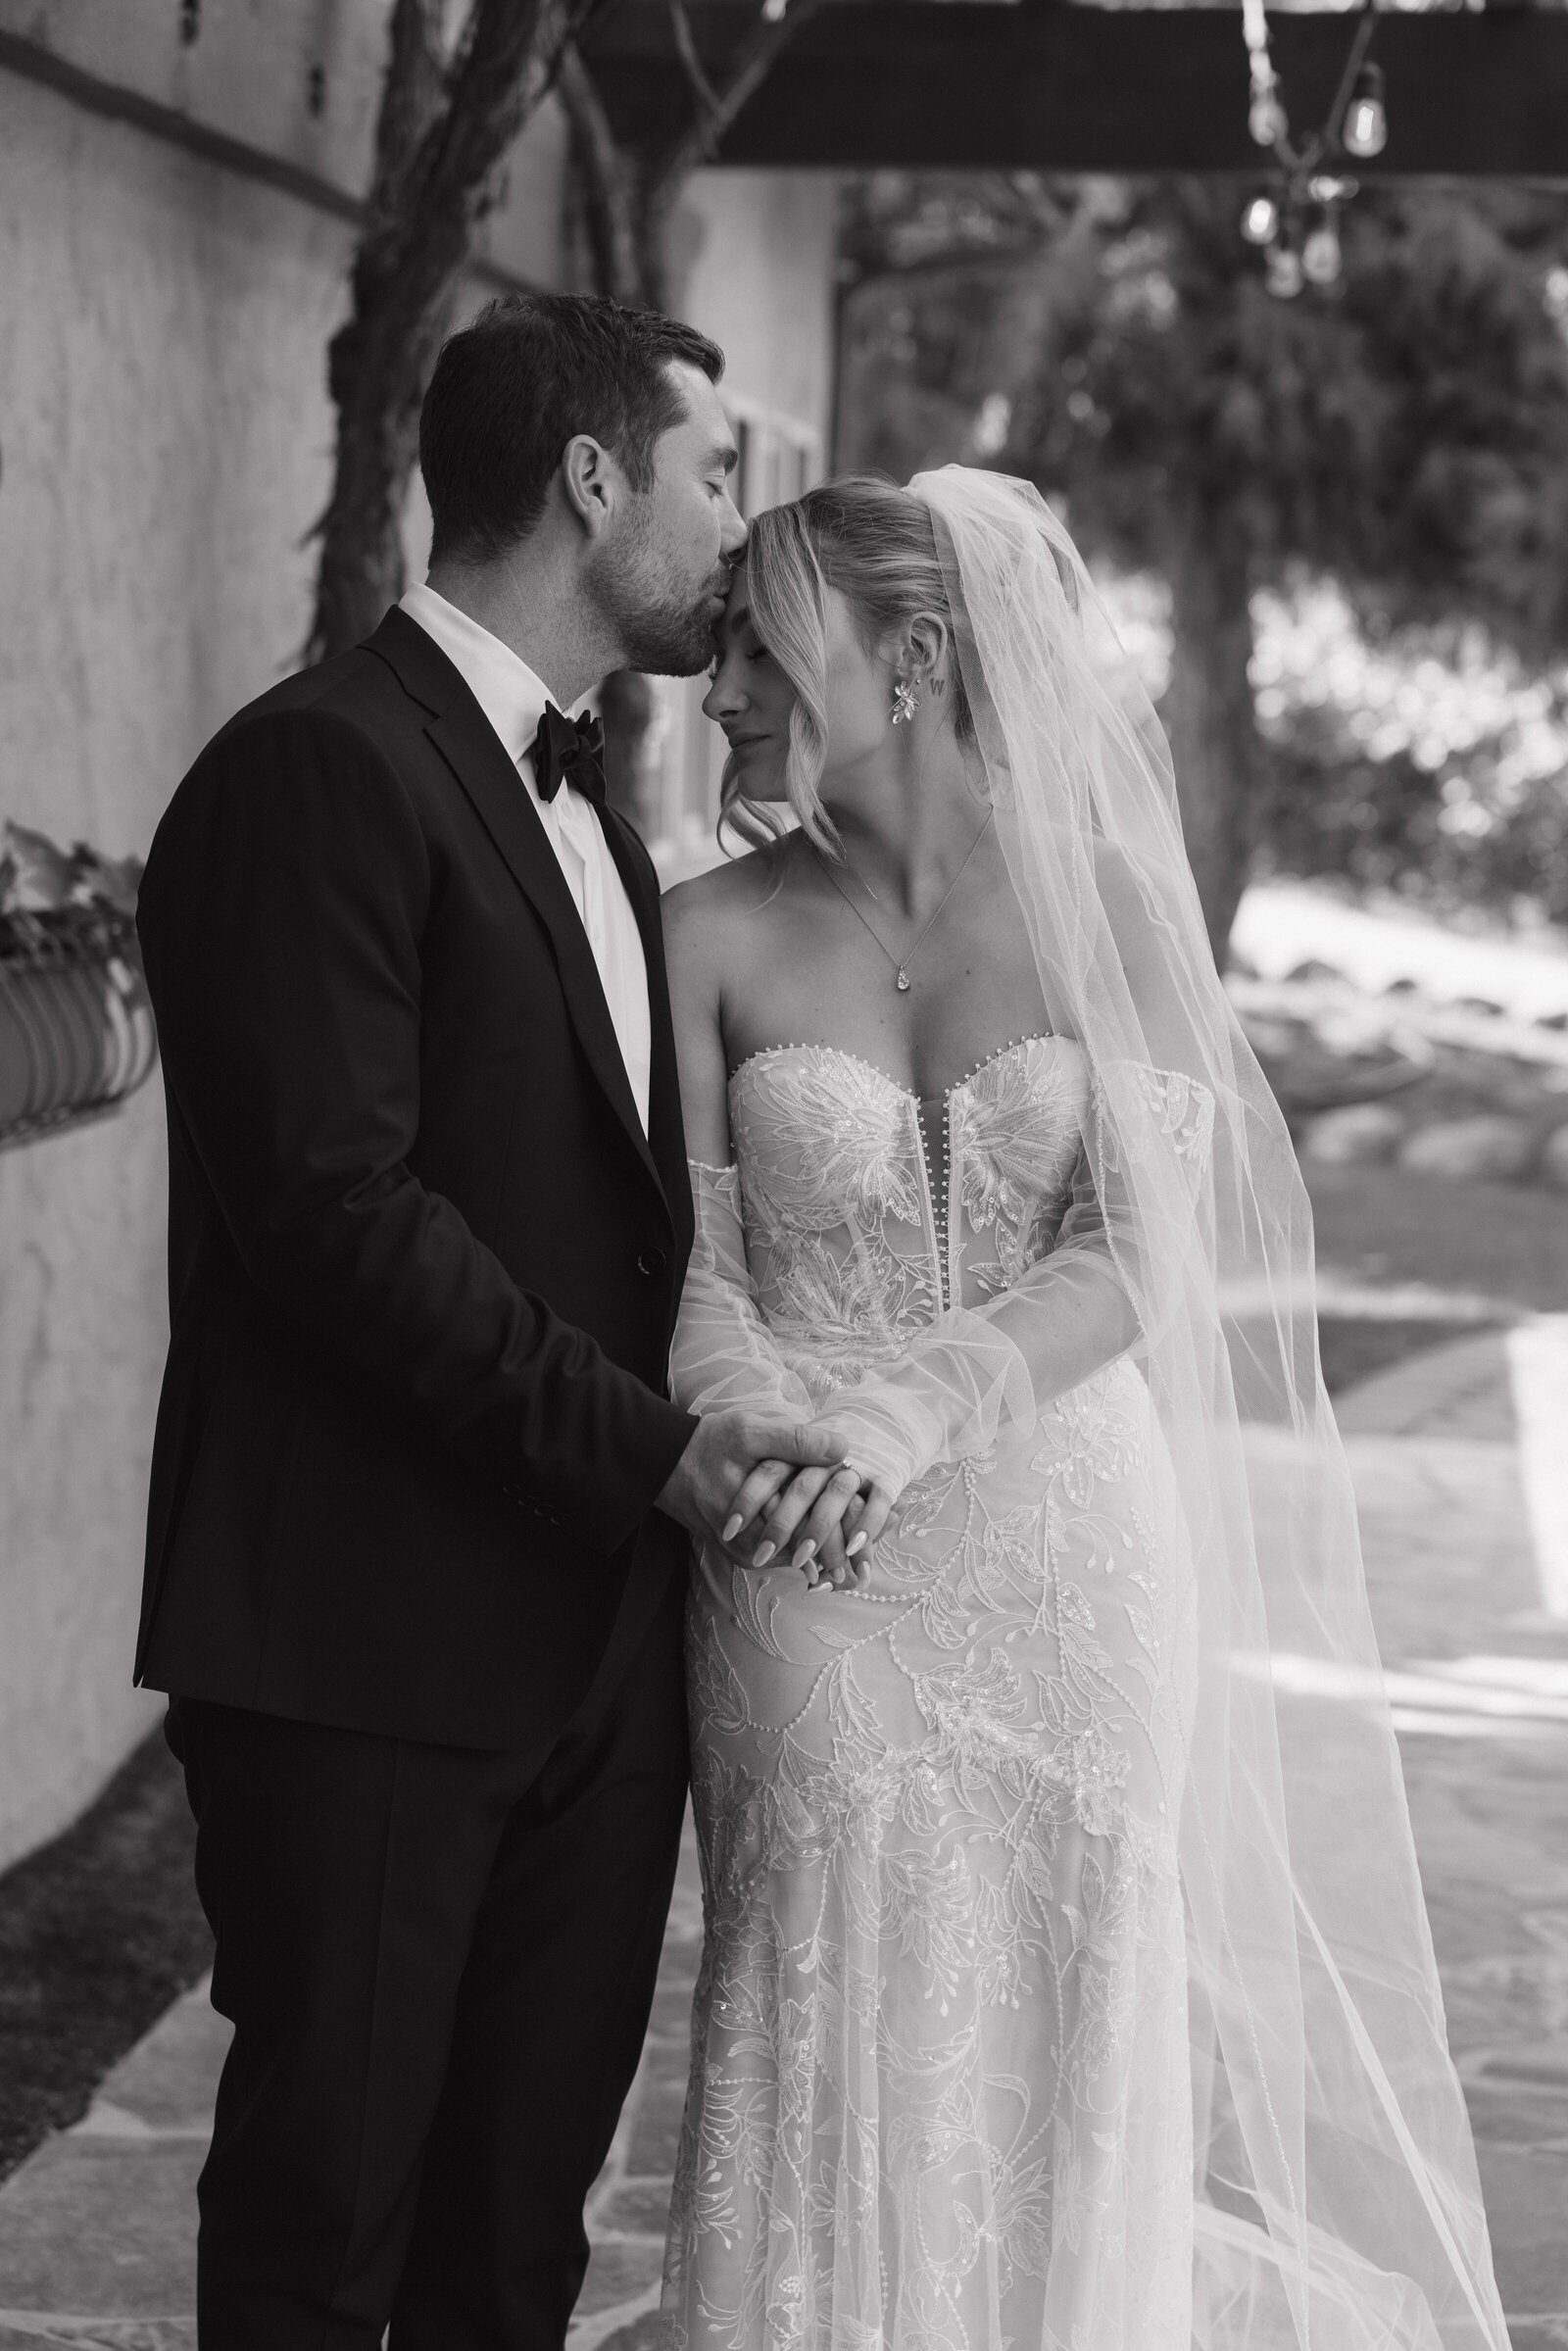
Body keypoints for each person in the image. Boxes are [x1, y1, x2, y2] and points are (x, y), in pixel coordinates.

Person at [659, 470, 1508, 2351]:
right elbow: (700, 1268)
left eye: (757, 643)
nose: (715, 690)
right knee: (818, 1986)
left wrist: (917, 1410)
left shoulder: (1108, 901)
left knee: (1078, 1992)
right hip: (805, 1556)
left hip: (1069, 1554)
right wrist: (746, 1430)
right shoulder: (701, 926)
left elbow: (1141, 1251)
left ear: (919, 654)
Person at [132, 292, 849, 2349]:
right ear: (593, 476)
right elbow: (332, 1214)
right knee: (319, 2232)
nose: (742, 523)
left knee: (510, 2249)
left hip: (594, 1665)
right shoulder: (311, 774)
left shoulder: (607, 827)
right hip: (365, 1652)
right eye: (718, 472)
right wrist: (662, 1455)